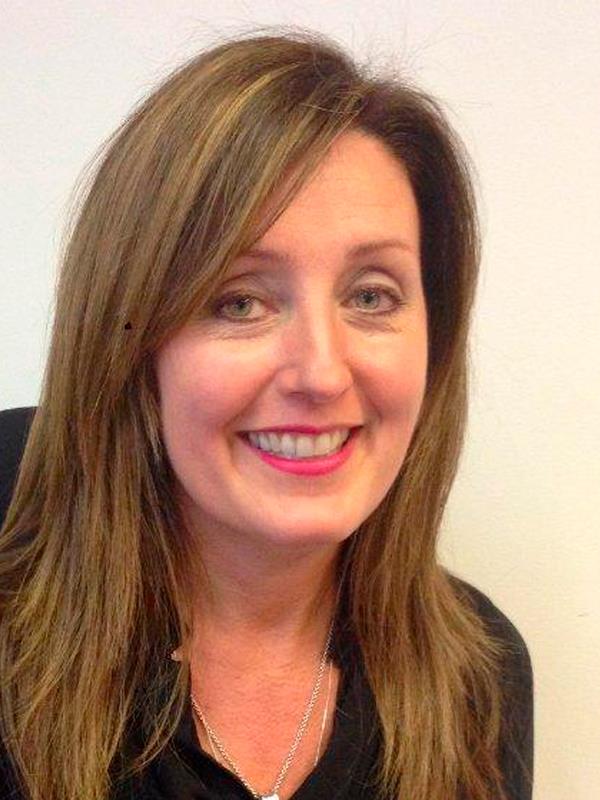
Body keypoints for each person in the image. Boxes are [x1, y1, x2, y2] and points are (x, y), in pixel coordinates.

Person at [0, 28, 533, 800]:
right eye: (239, 302)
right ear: (130, 343)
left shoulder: (482, 677)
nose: (321, 372)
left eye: (371, 295)